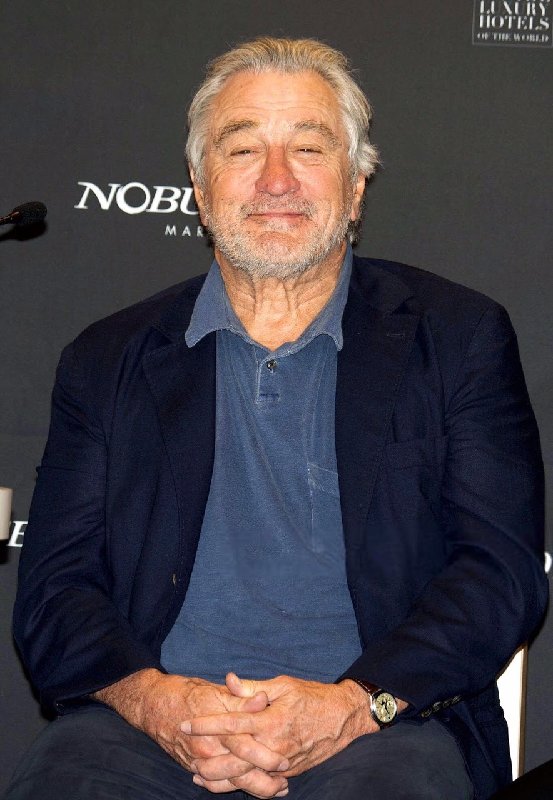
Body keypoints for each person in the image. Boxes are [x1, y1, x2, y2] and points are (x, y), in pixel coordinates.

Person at [5, 37, 547, 800]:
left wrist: (355, 705)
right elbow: (53, 590)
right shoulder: (106, 359)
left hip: (380, 727)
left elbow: (498, 573)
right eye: (242, 149)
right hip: (148, 732)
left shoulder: (457, 339)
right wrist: (159, 704)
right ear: (199, 189)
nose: (276, 180)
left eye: (309, 148)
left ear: (355, 186)